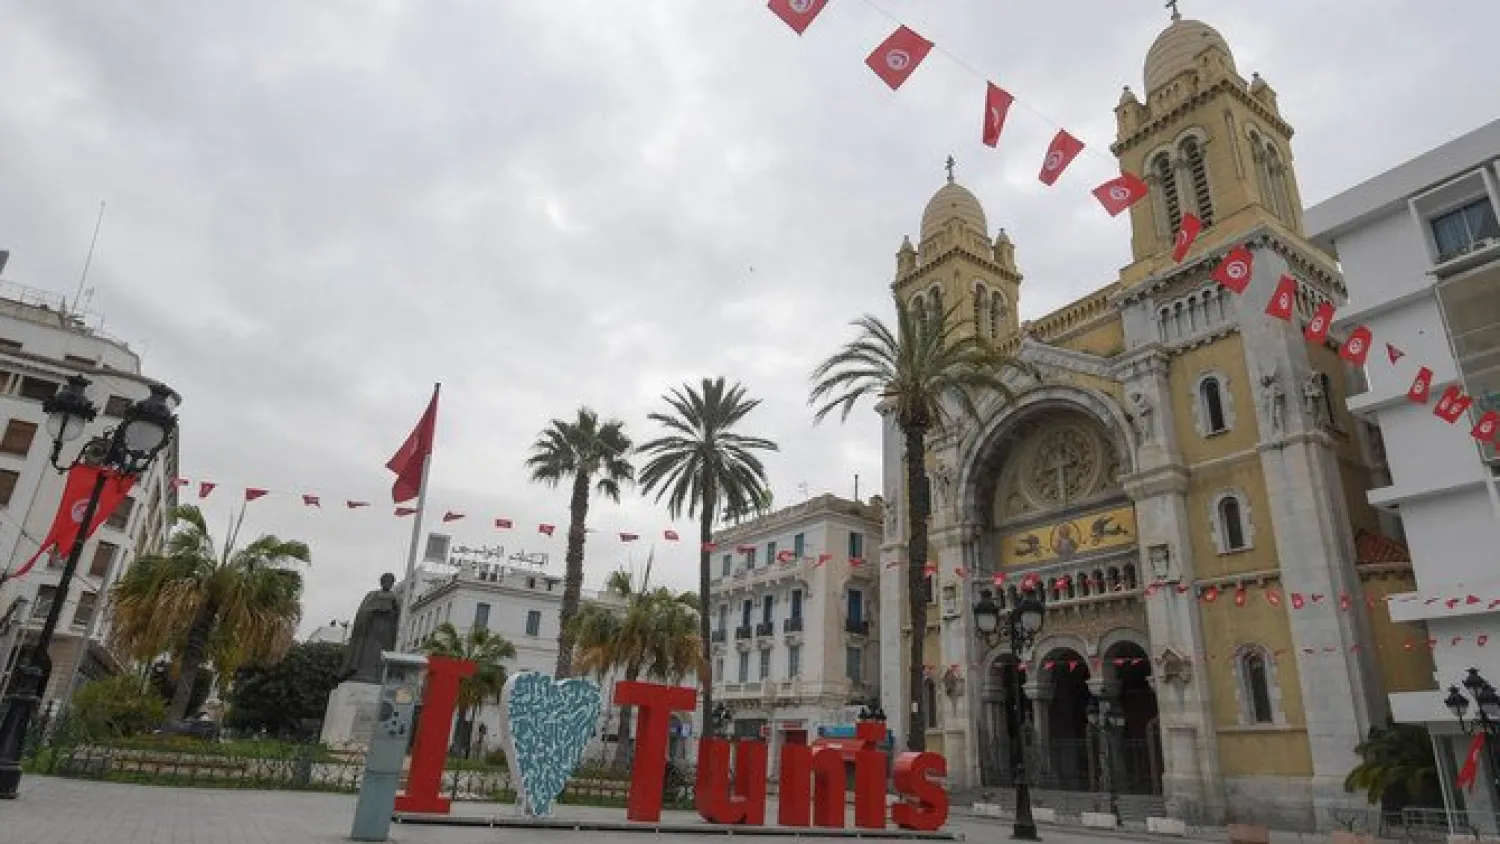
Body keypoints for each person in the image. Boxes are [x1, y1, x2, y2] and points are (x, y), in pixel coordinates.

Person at [339, 573, 401, 684]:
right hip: (370, 628)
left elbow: (397, 614)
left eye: (390, 581)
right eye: (385, 581)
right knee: (366, 652)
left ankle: (377, 674)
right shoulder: (372, 595)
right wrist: (374, 610)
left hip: (385, 630)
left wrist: (389, 612)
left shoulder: (395, 597)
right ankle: (360, 672)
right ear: (381, 582)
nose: (388, 583)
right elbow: (363, 610)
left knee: (380, 653)